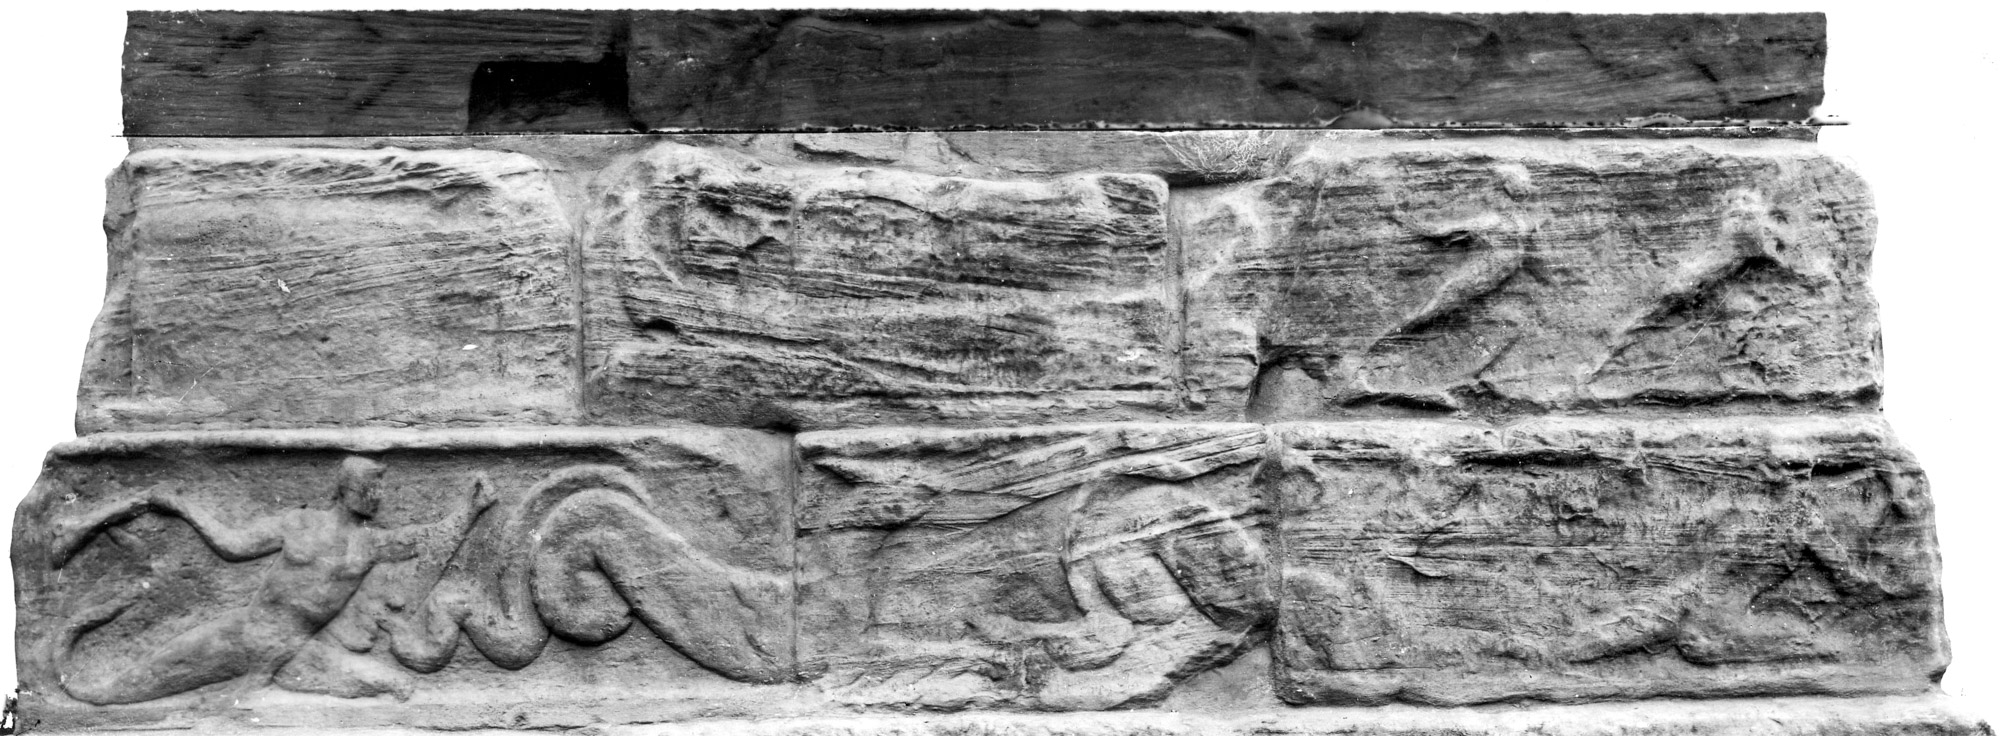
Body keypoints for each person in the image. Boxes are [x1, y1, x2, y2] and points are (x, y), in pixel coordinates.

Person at [49, 456, 493, 705]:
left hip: (295, 650)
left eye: (381, 488)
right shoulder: (298, 522)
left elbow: (427, 538)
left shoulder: (371, 545)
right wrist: (185, 508)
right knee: (119, 691)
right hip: (242, 632)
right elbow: (233, 545)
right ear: (347, 489)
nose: (379, 497)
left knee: (395, 685)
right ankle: (69, 662)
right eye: (372, 487)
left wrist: (470, 510)